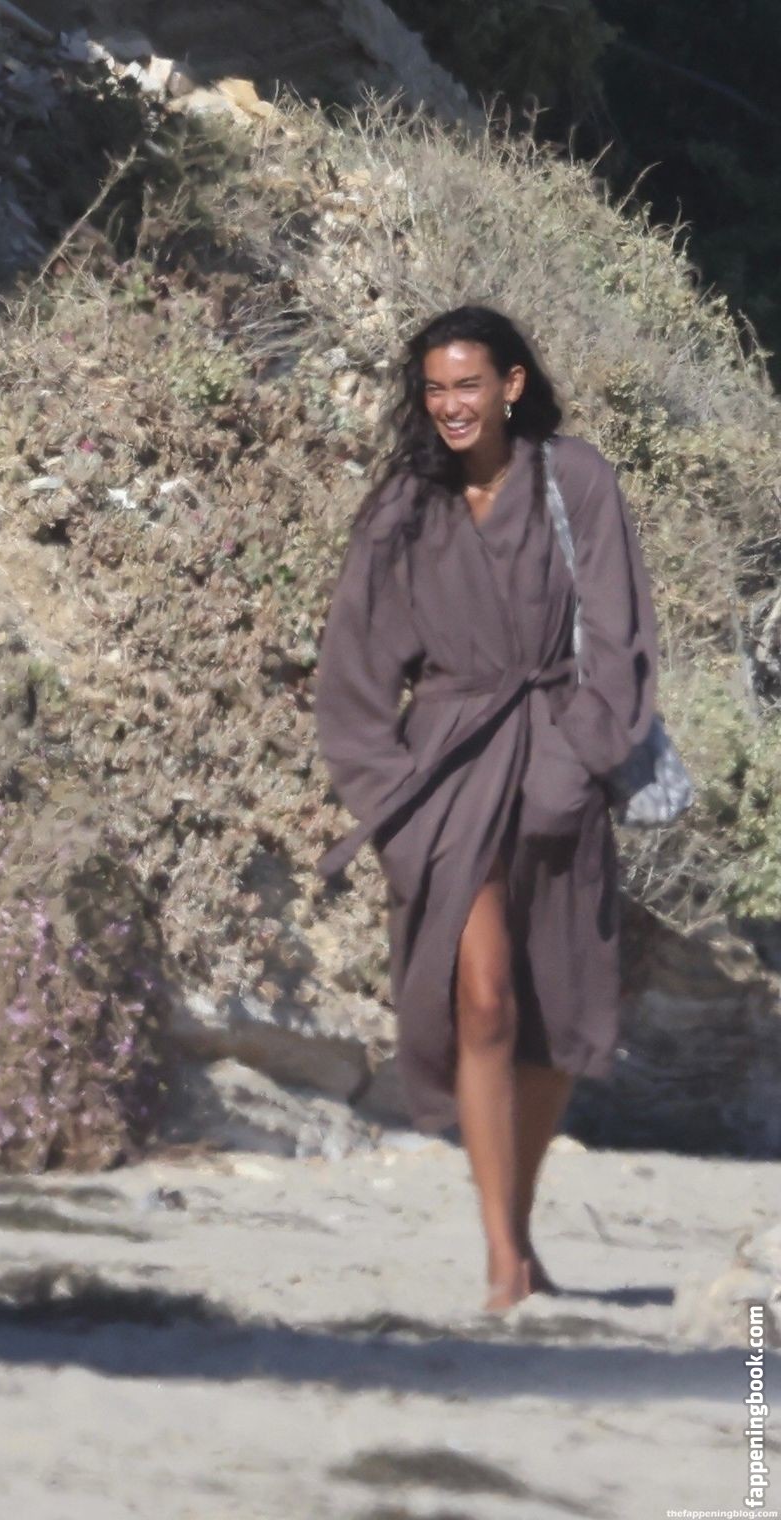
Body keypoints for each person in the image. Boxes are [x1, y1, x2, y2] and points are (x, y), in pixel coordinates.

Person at [314, 306, 659, 1311]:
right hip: (446, 772)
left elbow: (621, 632)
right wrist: (389, 798)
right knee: (486, 997)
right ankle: (504, 1257)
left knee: (554, 1016)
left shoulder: (575, 480)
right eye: (435, 388)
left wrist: (583, 755)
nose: (451, 405)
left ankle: (519, 1218)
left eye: (468, 385)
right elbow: (355, 670)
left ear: (511, 386)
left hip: (556, 763)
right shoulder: (404, 506)